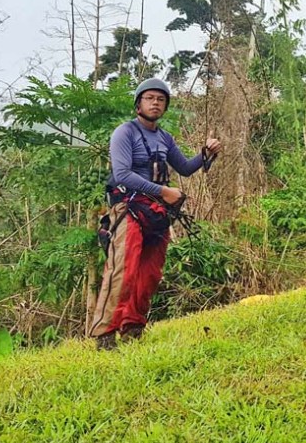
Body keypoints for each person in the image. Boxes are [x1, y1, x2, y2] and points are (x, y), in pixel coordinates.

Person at [89, 78, 221, 350]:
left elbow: (184, 168)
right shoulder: (125, 133)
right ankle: (105, 335)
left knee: (149, 273)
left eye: (160, 99)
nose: (155, 103)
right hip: (128, 209)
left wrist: (205, 154)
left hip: (157, 214)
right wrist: (164, 191)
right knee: (122, 270)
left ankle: (133, 328)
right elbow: (122, 173)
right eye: (149, 98)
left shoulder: (164, 138)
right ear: (138, 103)